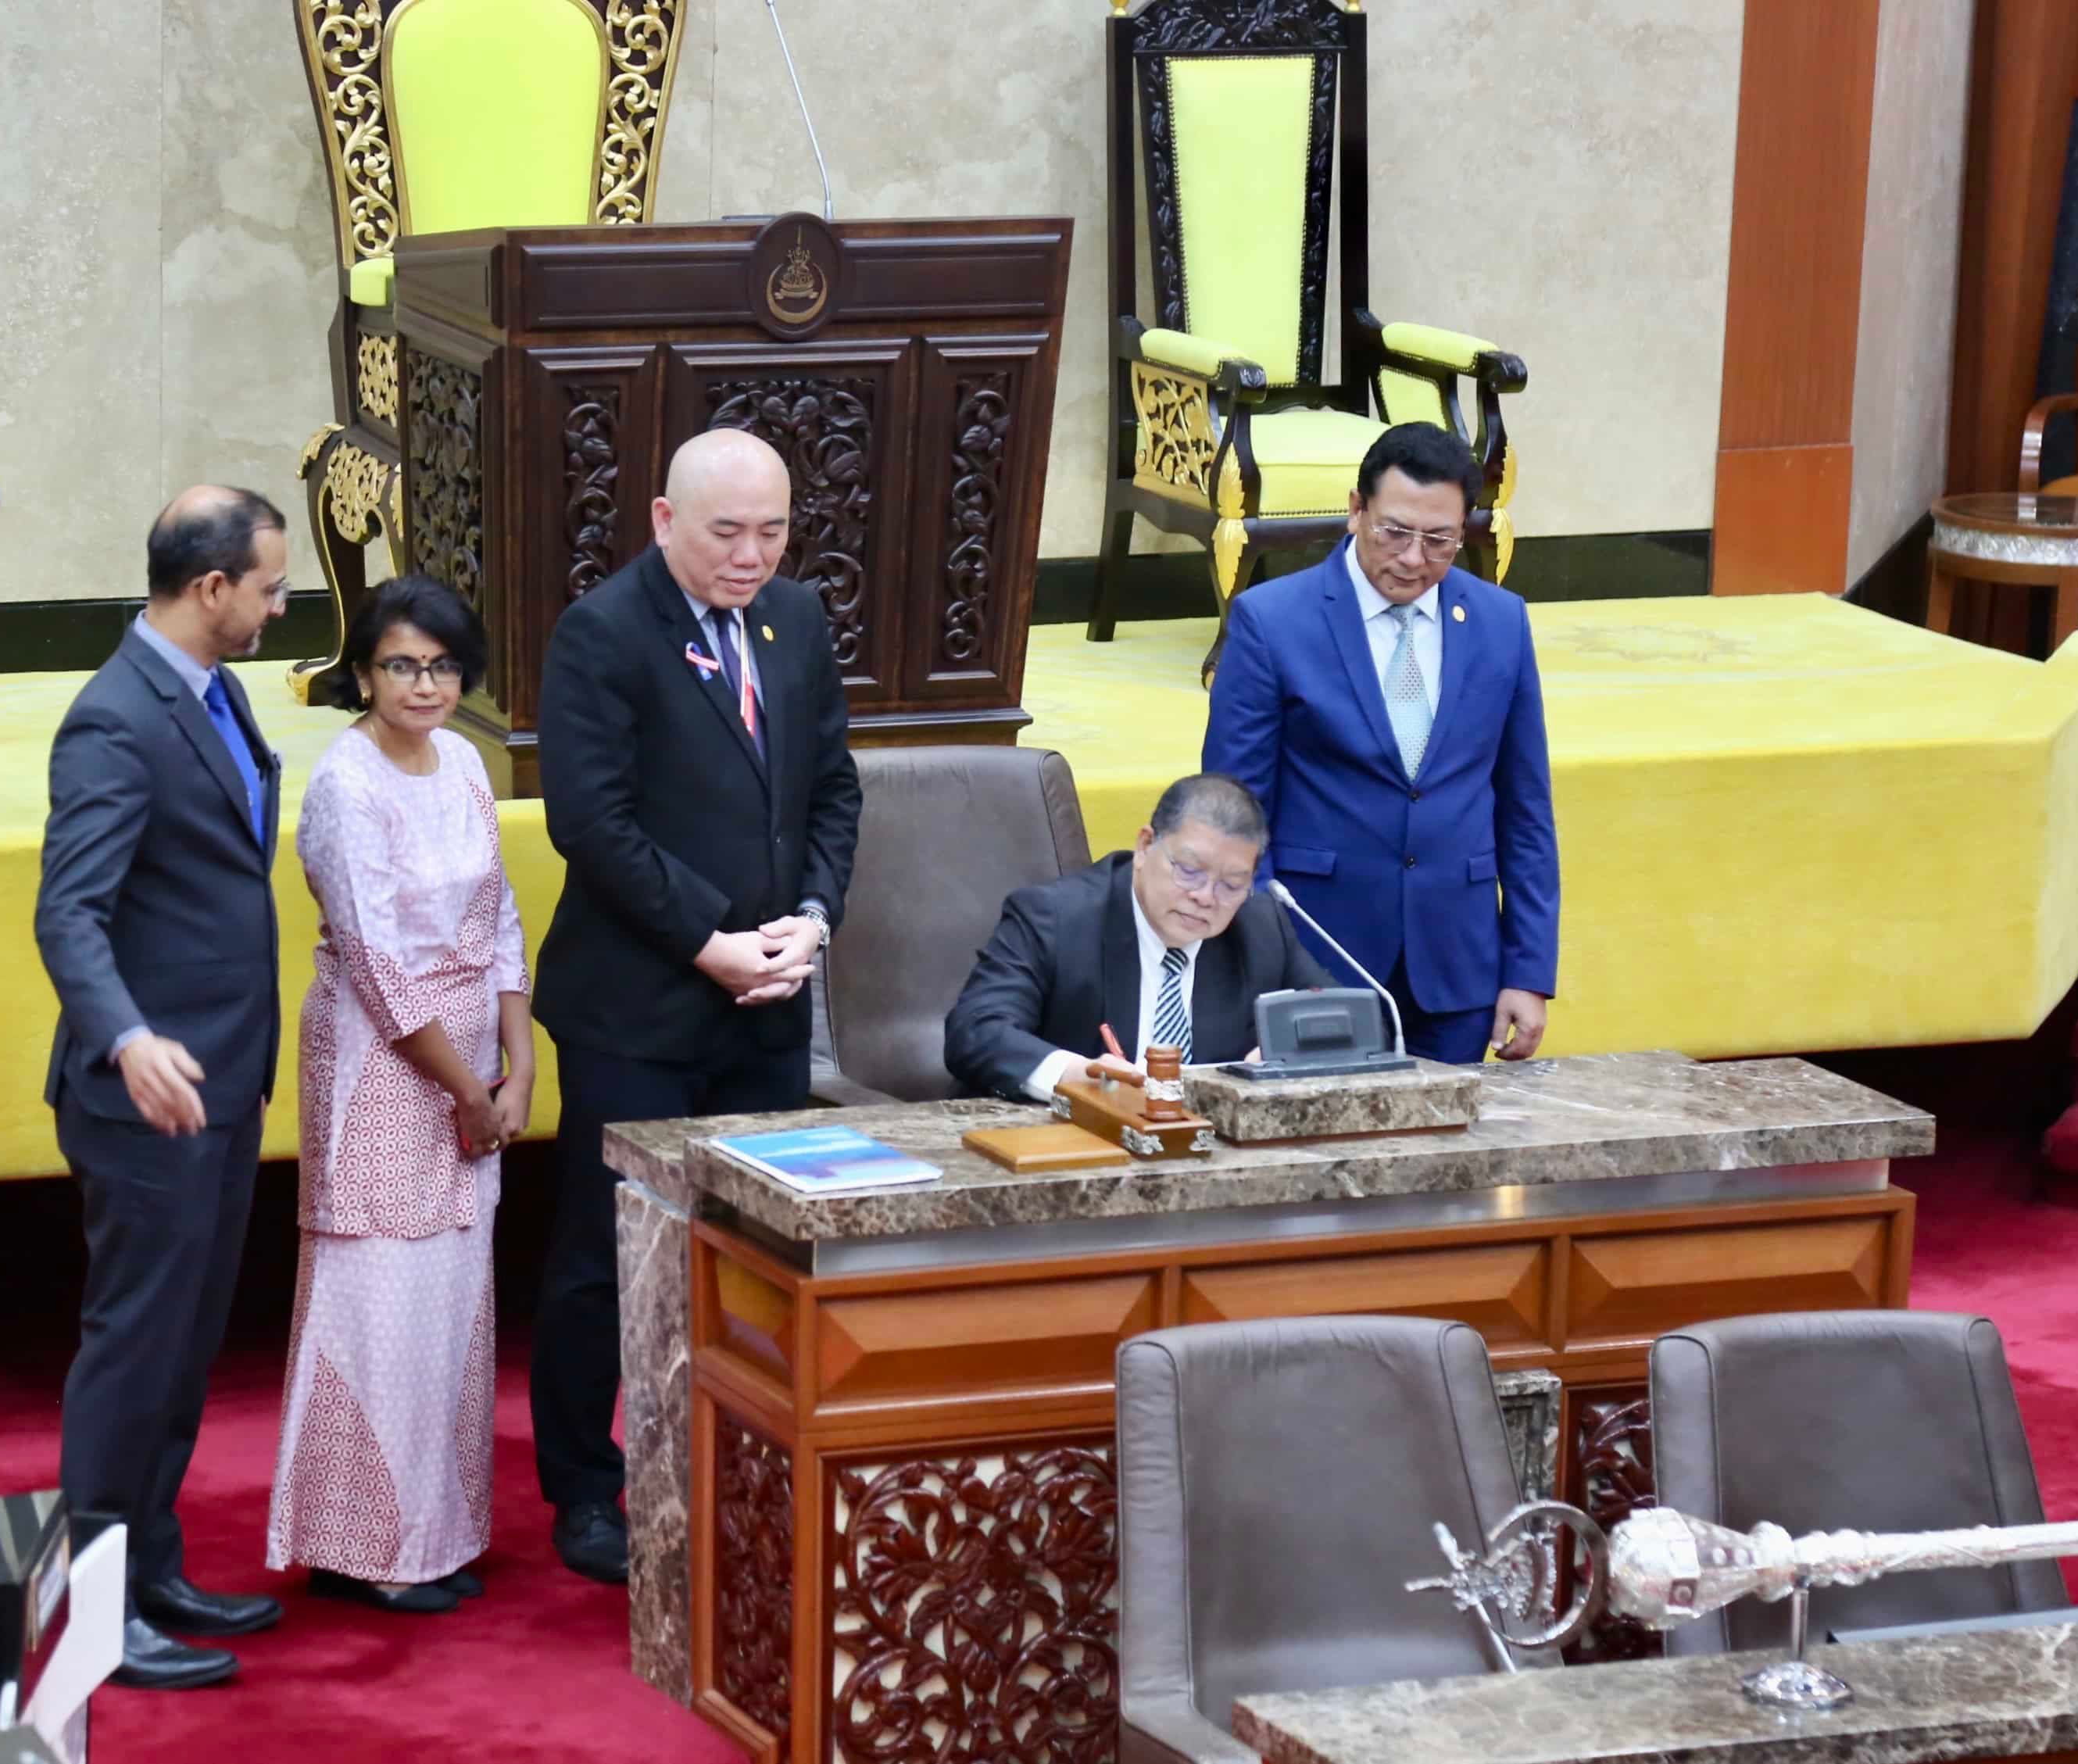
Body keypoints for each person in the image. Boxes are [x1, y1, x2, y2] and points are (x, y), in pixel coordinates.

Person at [529, 428, 862, 1583]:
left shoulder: (796, 620)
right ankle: (585, 1485)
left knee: (753, 1245)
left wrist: (812, 916)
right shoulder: (603, 632)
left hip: (765, 1000)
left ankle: (741, 1461)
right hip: (638, 1007)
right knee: (607, 1250)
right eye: (727, 532)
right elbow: (591, 823)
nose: (751, 556)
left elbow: (831, 789)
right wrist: (707, 940)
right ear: (665, 520)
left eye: (772, 531)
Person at [34, 486, 291, 1690]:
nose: (280, 608)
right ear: (210, 588)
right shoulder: (113, 719)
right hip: (145, 1098)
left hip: (220, 1083)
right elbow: (68, 913)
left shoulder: (213, 690)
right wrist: (128, 1037)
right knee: (132, 1354)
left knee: (184, 1352)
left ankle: (152, 1569)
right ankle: (96, 1619)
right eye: (270, 589)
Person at [266, 575, 533, 1616]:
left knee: (450, 1301)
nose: (424, 685)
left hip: (470, 1061)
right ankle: (362, 1545)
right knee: (376, 1297)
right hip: (381, 1064)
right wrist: (469, 1090)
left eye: (442, 666)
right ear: (363, 674)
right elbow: (377, 965)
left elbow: (500, 916)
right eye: (400, 666)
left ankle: (434, 1535)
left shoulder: (462, 761)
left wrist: (519, 1059)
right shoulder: (346, 782)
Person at [1200, 422, 1559, 1065]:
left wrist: (1527, 971)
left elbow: (1525, 810)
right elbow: (1233, 814)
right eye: (1394, 532)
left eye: (1439, 540)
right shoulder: (1272, 622)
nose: (1414, 559)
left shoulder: (1500, 621)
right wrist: (1264, 962)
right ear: (1355, 510)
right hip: (1316, 961)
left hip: (1457, 966)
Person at [944, 774, 1332, 1099]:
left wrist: (1290, 1050)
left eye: (1231, 885)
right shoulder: (1056, 917)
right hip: (1072, 1142)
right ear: (1145, 846)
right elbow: (977, 1030)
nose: (1205, 897)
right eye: (1190, 871)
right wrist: (1074, 1075)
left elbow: (1346, 1021)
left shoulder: (1260, 927)